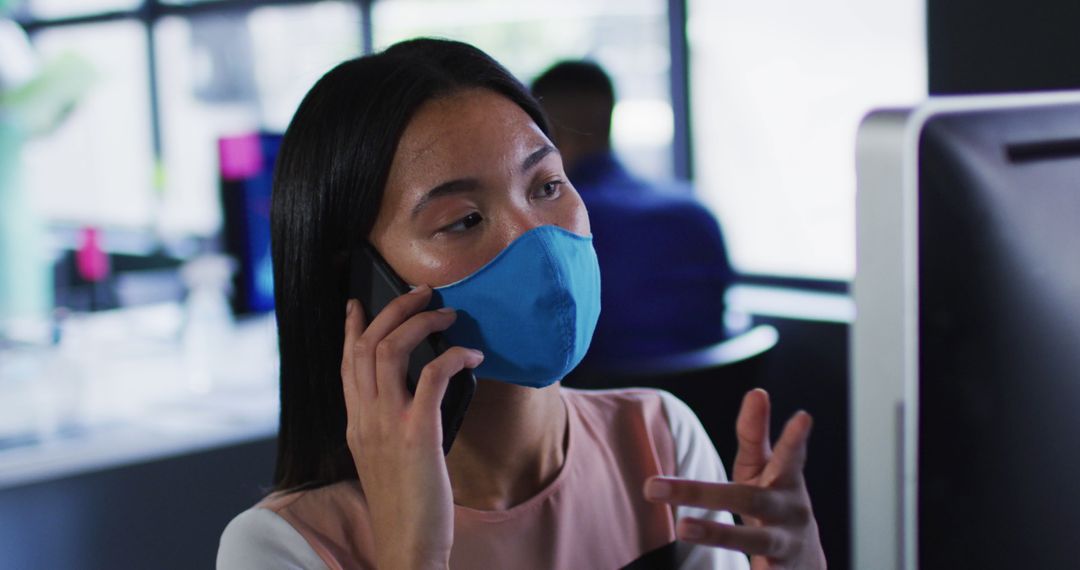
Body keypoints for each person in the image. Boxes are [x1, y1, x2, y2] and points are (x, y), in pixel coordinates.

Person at [217, 39, 825, 569]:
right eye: (465, 219)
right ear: (362, 281)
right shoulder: (282, 548)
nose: (536, 237)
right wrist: (414, 554)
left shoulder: (658, 437)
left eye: (548, 186)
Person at [531, 61, 735, 371]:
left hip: (602, 403)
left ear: (548, 132)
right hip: (707, 405)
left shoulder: (560, 225)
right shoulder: (695, 212)